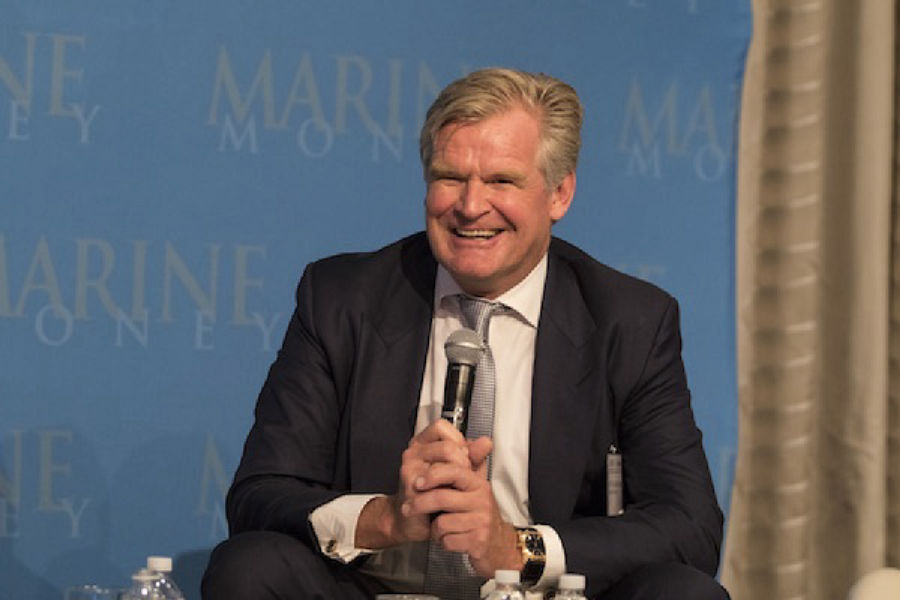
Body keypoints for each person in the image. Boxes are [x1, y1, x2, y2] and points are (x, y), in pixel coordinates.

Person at [201, 68, 728, 600]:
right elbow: (260, 496)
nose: (471, 206)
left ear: (559, 193)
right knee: (249, 568)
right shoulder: (343, 298)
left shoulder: (628, 321)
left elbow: (691, 528)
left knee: (685, 594)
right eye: (450, 177)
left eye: (501, 181)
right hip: (376, 591)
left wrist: (516, 549)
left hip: (538, 595)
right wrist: (388, 517)